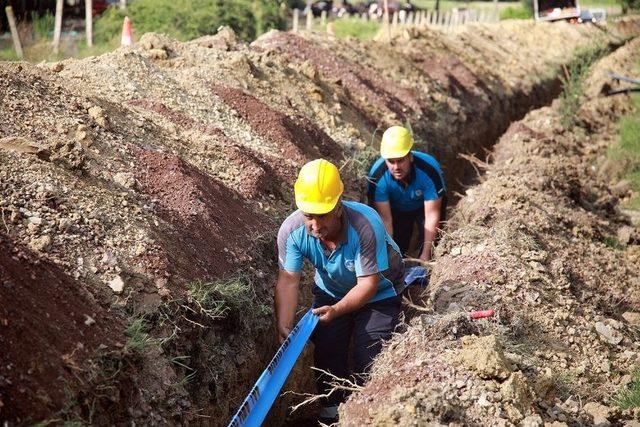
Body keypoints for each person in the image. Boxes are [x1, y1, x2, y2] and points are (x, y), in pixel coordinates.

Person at [275, 159, 405, 423]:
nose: (314, 224)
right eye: (308, 215)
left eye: (321, 214)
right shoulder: (291, 231)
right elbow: (288, 280)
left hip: (380, 291)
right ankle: (331, 412)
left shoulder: (365, 224)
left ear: (338, 205)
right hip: (331, 291)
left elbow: (367, 284)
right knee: (327, 349)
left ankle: (368, 411)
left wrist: (337, 310)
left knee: (369, 350)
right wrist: (284, 325)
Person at [367, 126, 447, 261]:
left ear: (410, 156)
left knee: (433, 245)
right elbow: (386, 220)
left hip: (426, 206)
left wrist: (425, 256)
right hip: (397, 208)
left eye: (400, 160)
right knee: (399, 244)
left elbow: (432, 215)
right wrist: (389, 259)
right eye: (391, 162)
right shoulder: (378, 177)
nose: (396, 167)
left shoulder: (429, 170)